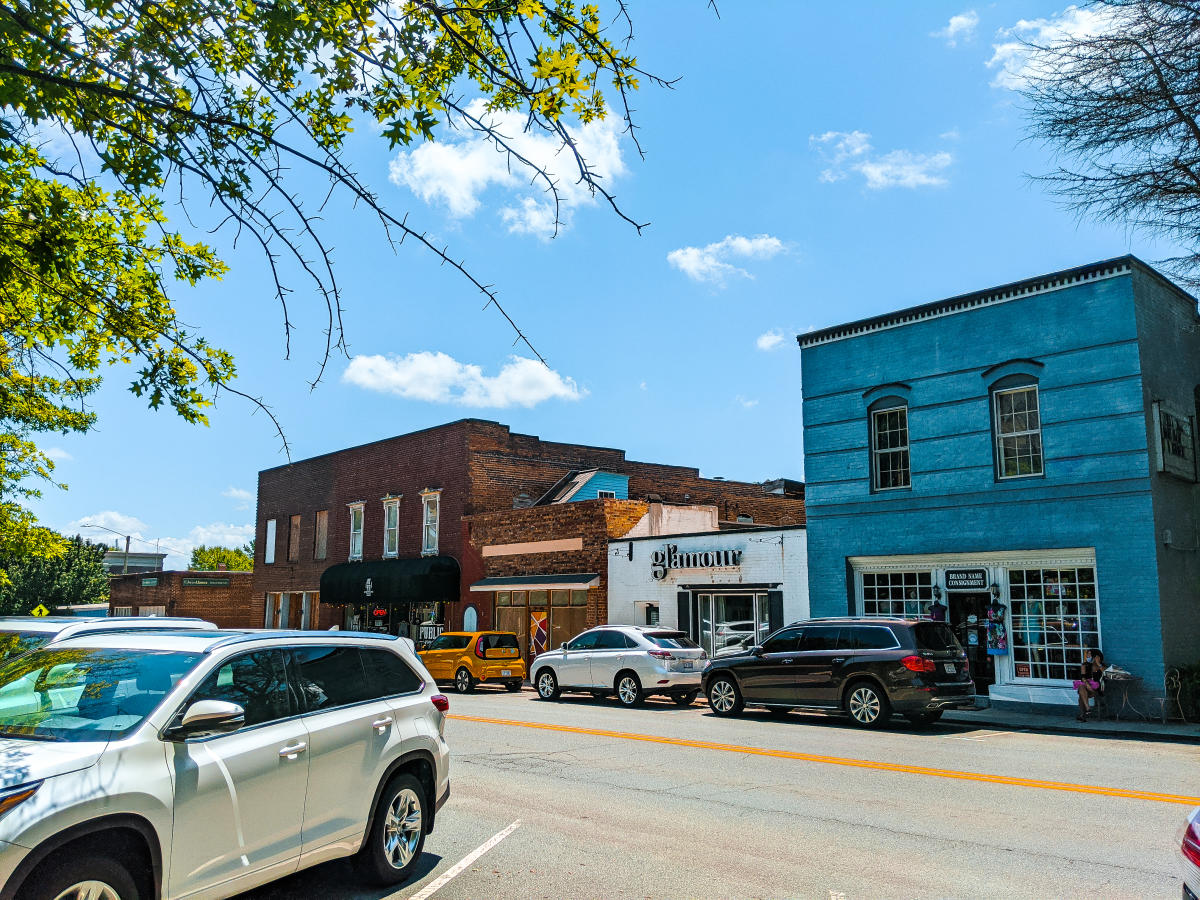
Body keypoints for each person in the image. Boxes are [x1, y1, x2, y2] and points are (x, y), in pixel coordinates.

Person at [1073, 648, 1105, 721]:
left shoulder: (1101, 666)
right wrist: (1087, 685)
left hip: (1097, 688)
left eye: (1090, 654)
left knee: (1081, 694)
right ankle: (1087, 708)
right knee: (1081, 687)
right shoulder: (1085, 665)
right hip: (1087, 686)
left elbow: (1106, 673)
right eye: (1087, 654)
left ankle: (1082, 714)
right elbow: (1083, 677)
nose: (1088, 656)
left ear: (1096, 656)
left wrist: (1098, 664)